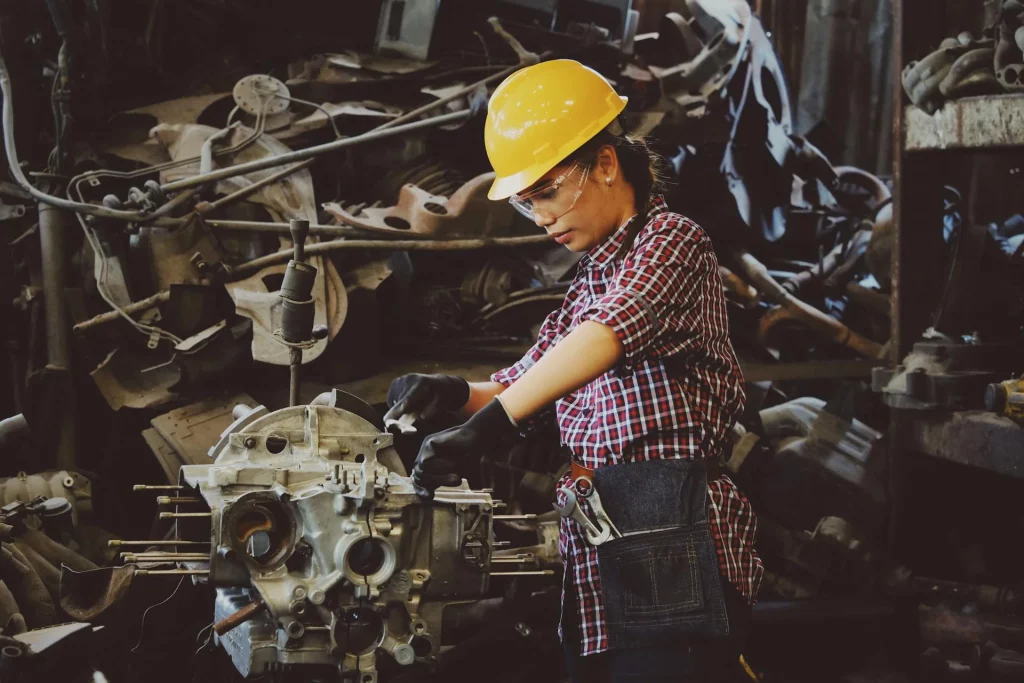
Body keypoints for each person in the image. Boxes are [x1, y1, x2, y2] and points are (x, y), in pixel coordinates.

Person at [384, 59, 763, 682]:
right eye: (529, 203)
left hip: (671, 530)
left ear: (606, 164)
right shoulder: (588, 283)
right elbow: (523, 382)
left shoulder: (671, 242)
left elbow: (607, 335)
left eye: (549, 192)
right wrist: (450, 395)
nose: (541, 218)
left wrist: (491, 426)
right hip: (599, 537)